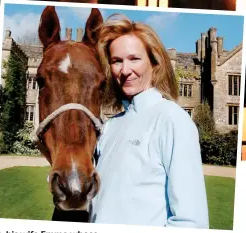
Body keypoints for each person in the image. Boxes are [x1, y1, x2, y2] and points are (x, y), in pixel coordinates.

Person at [89, 14, 209, 228]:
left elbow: (191, 223)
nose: (125, 70)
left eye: (134, 59)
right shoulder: (110, 126)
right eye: (117, 61)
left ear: (155, 63)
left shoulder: (171, 119)